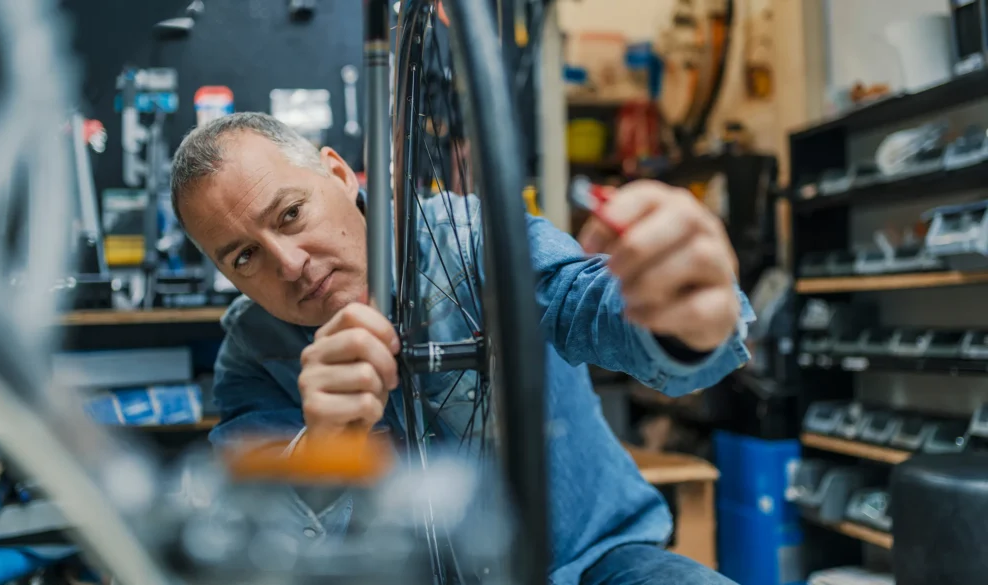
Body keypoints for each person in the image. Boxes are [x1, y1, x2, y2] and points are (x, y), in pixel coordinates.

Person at [170, 112, 753, 585]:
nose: (290, 265)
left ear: (341, 174)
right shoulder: (251, 354)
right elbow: (252, 542)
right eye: (243, 257)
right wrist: (323, 448)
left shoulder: (475, 240)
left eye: (291, 214)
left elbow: (594, 305)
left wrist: (683, 312)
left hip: (590, 565)